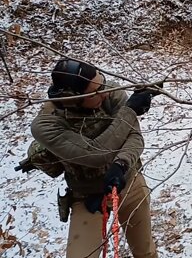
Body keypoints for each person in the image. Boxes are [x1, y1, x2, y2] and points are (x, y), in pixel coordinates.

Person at [23, 59, 159, 258]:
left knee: (145, 252)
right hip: (86, 196)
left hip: (128, 181)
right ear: (72, 98)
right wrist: (128, 112)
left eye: (101, 83)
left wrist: (121, 164)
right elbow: (95, 154)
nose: (104, 92)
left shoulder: (110, 93)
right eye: (96, 92)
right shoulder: (46, 125)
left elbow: (134, 137)